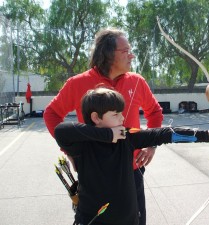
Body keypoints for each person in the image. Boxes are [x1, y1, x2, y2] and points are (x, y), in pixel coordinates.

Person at [54, 87, 209, 225]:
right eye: (115, 114)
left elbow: (163, 134)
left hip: (128, 220)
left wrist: (207, 135)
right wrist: (107, 135)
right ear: (96, 118)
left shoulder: (126, 137)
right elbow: (60, 131)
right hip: (92, 219)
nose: (122, 118)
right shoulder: (81, 145)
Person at [44, 27, 163, 224]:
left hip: (131, 171)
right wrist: (71, 152)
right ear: (108, 54)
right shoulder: (77, 83)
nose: (131, 55)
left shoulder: (137, 81)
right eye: (125, 51)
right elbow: (52, 114)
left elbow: (155, 112)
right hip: (93, 174)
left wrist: (152, 146)